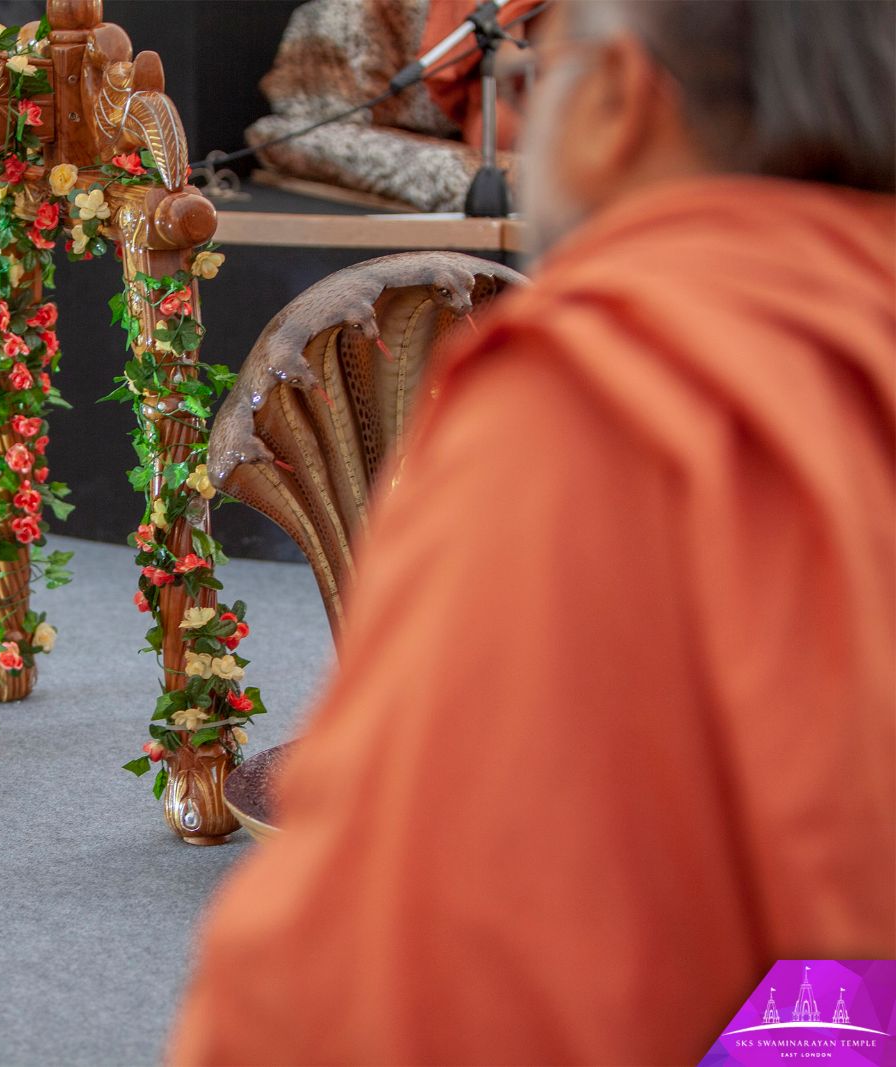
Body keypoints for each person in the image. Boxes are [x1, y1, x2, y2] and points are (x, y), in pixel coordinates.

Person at [172, 1, 895, 1062]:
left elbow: (396, 987)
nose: (519, 100)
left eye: (534, 78)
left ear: (615, 98)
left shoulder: (621, 401)